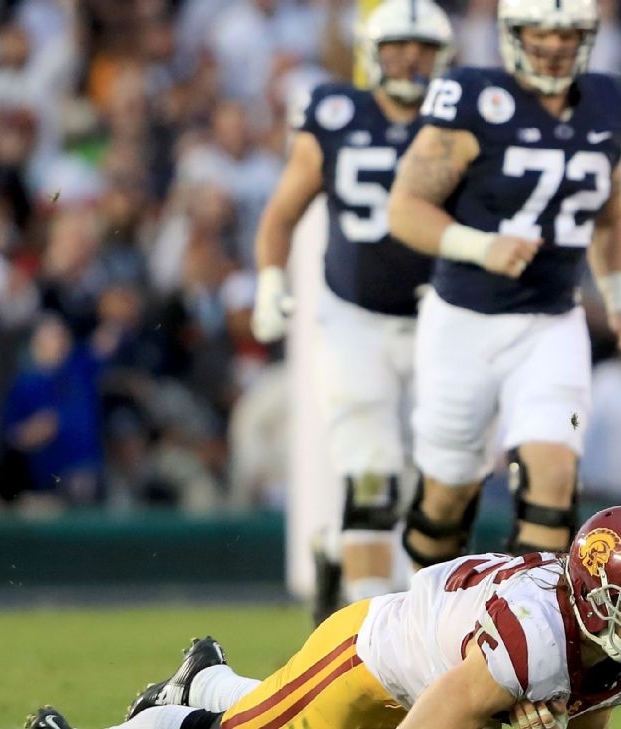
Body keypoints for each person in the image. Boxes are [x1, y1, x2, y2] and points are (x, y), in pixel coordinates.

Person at [25, 506, 621, 729]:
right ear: (589, 592)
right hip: (373, 654)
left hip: (443, 673)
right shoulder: (538, 636)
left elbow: (586, 710)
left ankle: (204, 678)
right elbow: (437, 716)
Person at [386, 0, 621, 567]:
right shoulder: (475, 97)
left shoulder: (608, 101)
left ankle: (530, 634)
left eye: (567, 33)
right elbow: (405, 208)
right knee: (447, 496)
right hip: (463, 322)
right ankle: (426, 616)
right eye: (540, 32)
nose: (554, 46)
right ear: (511, 34)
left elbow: (610, 210)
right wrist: (481, 245)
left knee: (553, 482)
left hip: (553, 320)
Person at [249, 0, 452, 621]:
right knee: (372, 474)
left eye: (422, 48)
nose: (410, 59)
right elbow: (283, 210)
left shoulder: (460, 122)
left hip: (441, 318)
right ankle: (370, 627)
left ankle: (342, 555)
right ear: (371, 51)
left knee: (439, 478)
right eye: (397, 47)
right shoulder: (337, 114)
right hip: (355, 317)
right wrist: (268, 279)